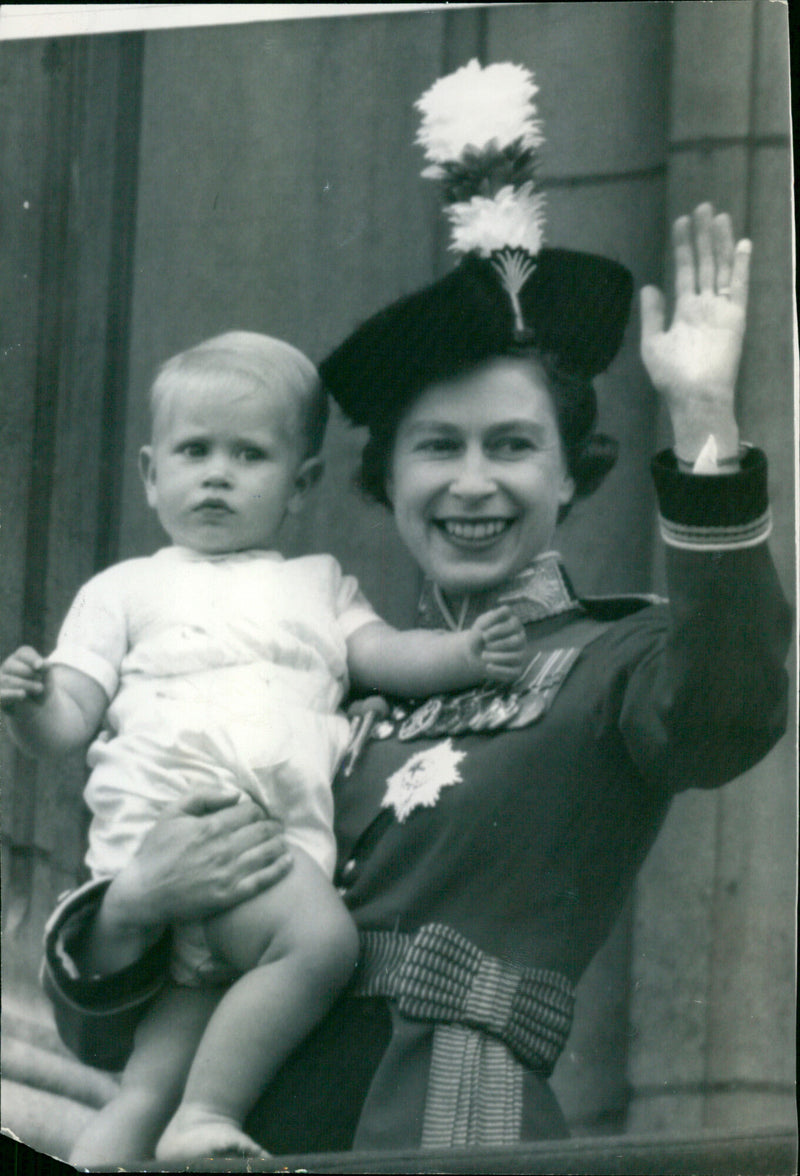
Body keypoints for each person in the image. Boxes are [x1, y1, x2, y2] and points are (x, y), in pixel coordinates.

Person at [37, 61, 790, 1158]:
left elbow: (728, 705)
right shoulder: (307, 675)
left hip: (441, 1127)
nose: (471, 484)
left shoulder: (610, 658)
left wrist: (705, 426)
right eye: (436, 448)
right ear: (384, 479)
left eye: (513, 447)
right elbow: (103, 1027)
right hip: (240, 1128)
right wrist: (133, 903)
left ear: (571, 477)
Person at [0, 329, 528, 1164]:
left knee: (148, 1079)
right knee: (320, 944)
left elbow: (384, 654)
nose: (217, 472)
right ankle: (205, 1118)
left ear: (299, 484)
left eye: (249, 455)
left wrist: (463, 656)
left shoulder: (318, 587)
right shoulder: (123, 590)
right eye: (194, 450)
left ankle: (118, 1145)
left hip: (259, 862)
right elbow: (67, 720)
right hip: (175, 839)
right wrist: (28, 705)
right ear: (150, 473)